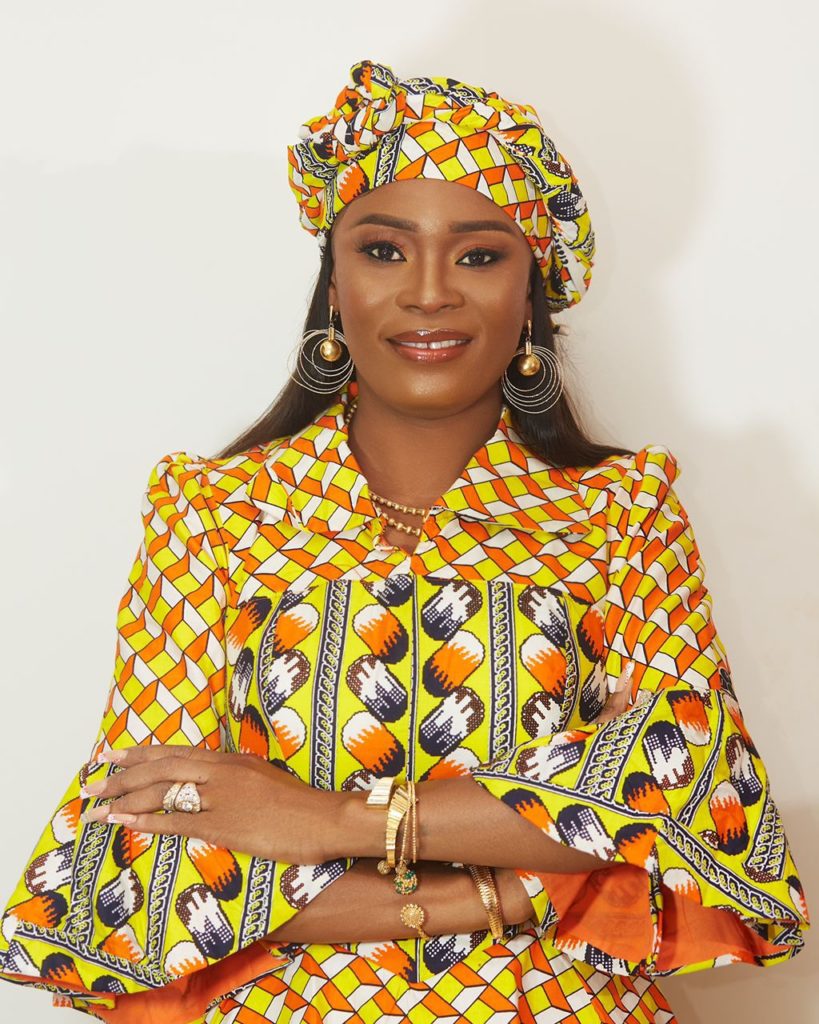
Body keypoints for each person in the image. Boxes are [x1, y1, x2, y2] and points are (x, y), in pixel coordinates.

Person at [0, 58, 809, 1024]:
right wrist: (520, 878)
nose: (428, 294)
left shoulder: (621, 510)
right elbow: (137, 853)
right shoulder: (212, 510)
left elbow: (694, 786)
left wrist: (321, 821)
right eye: (384, 250)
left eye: (478, 256)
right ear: (333, 283)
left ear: (531, 288)